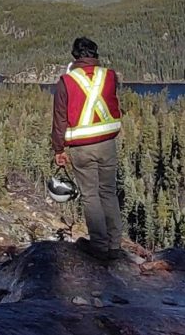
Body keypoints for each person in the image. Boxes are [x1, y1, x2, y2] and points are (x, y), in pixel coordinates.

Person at [51, 37, 126, 262]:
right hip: (107, 144)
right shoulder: (109, 76)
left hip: (81, 147)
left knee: (90, 195)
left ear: (75, 55)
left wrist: (58, 149)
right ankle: (115, 245)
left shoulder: (67, 81)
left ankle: (100, 246)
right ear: (95, 54)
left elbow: (60, 119)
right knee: (108, 193)